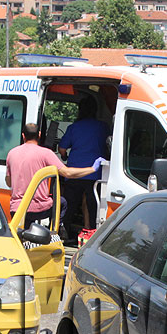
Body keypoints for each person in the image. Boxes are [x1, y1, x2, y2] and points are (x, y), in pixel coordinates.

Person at [5, 122, 101, 230]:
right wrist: (92, 169)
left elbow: (9, 183)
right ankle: (55, 232)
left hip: (17, 209)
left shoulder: (11, 153)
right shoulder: (45, 153)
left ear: (23, 135)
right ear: (39, 134)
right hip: (38, 209)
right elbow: (67, 173)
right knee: (62, 203)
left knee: (22, 234)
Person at [58, 98, 111, 233]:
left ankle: (65, 233)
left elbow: (62, 149)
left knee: (69, 206)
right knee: (92, 206)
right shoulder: (104, 127)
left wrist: (65, 157)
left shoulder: (74, 127)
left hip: (74, 173)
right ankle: (90, 232)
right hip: (95, 174)